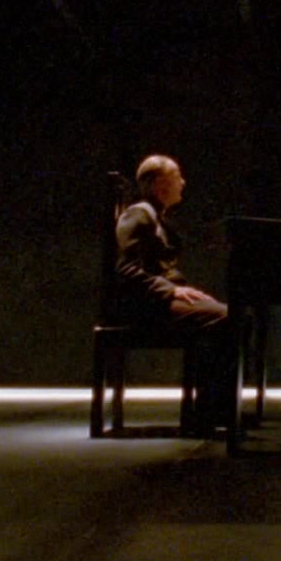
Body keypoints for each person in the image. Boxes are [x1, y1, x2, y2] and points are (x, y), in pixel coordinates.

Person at [111, 154, 234, 436]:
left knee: (225, 313)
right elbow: (125, 269)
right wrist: (171, 290)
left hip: (155, 300)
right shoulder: (139, 214)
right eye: (176, 176)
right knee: (223, 317)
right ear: (158, 184)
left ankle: (216, 409)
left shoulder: (156, 216)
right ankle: (208, 413)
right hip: (143, 306)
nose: (183, 182)